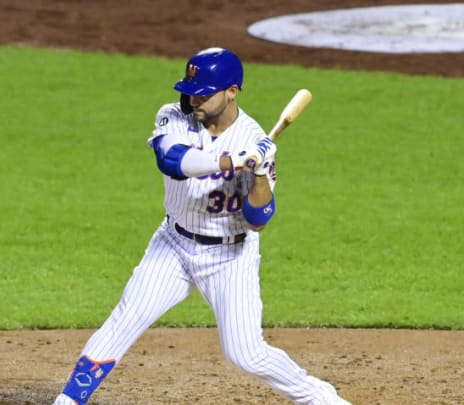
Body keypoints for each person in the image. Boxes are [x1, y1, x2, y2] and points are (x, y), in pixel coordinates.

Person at [53, 47, 350, 405]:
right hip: (173, 246)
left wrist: (258, 173)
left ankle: (321, 398)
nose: (193, 99)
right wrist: (229, 160)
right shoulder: (174, 116)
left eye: (203, 93)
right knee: (124, 320)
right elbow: (171, 160)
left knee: (246, 354)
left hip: (230, 255)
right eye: (190, 90)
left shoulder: (253, 139)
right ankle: (68, 401)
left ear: (232, 92)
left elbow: (258, 220)